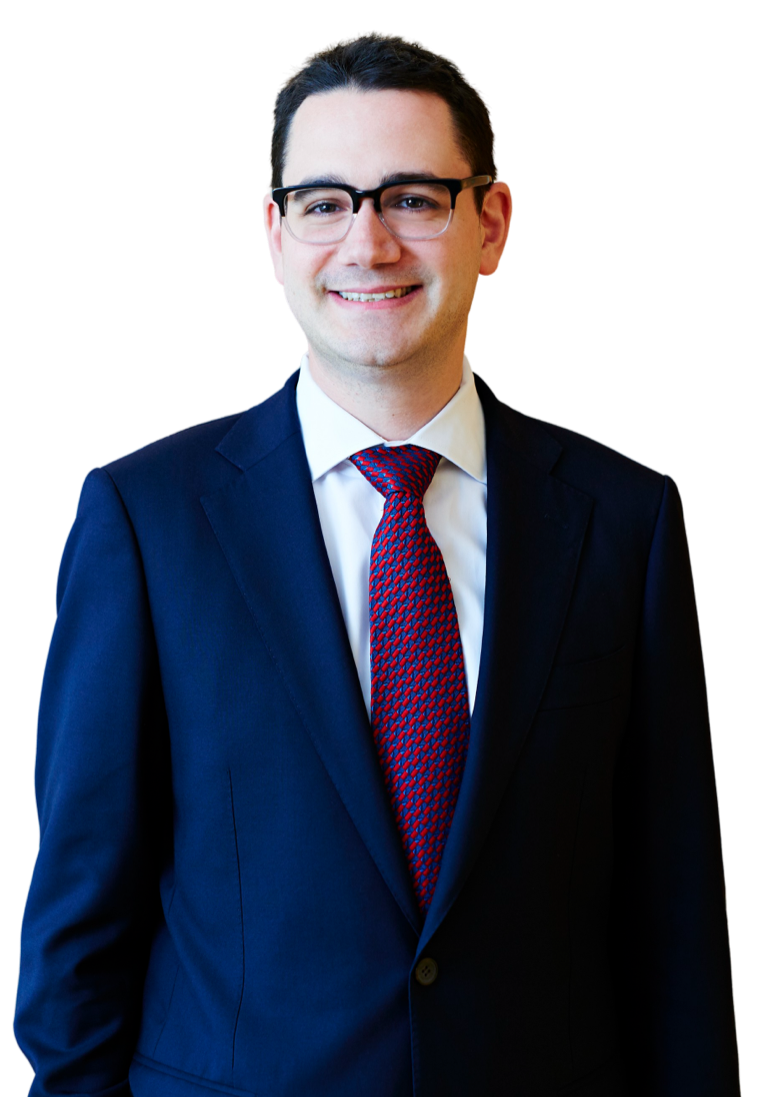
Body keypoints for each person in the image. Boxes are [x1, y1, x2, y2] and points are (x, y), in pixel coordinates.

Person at [14, 30, 741, 1097]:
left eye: (411, 197)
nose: (367, 243)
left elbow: (674, 915)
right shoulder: (145, 517)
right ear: (274, 234)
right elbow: (79, 916)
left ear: (490, 223)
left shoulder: (623, 518)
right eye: (323, 202)